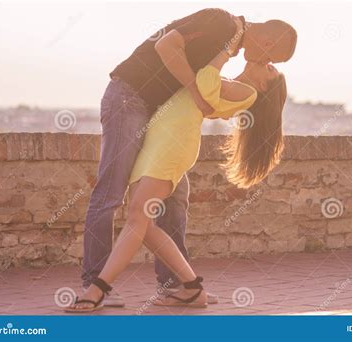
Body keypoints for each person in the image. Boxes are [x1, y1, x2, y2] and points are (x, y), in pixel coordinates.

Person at [81, 8, 297, 306]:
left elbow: (211, 96)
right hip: (131, 97)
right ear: (269, 43)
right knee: (112, 193)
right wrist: (197, 87)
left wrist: (204, 83)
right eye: (273, 60)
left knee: (169, 205)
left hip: (162, 126)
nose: (267, 62)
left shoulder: (232, 50)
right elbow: (165, 46)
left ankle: (181, 285)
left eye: (272, 66)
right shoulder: (221, 23)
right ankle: (97, 282)